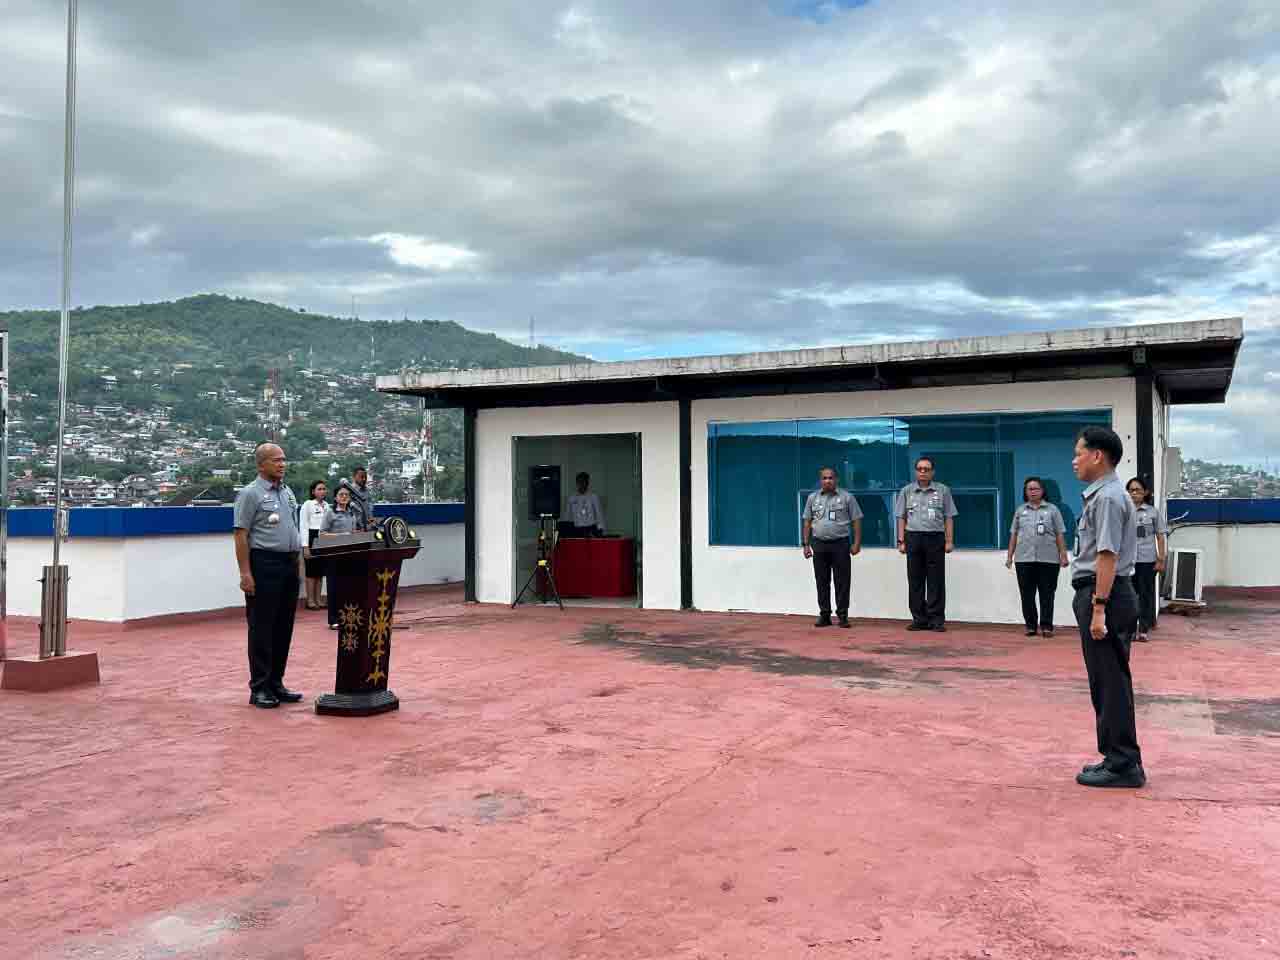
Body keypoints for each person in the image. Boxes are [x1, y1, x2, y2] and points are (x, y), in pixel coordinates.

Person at [1070, 425, 1144, 788]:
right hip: (1106, 595)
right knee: (1107, 680)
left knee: (1110, 682)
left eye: (1078, 453)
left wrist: (1098, 608)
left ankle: (1123, 764)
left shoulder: (1109, 498)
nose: (1074, 461)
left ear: (1097, 455)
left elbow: (1107, 556)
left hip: (1106, 596)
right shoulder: (1104, 496)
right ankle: (1117, 757)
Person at [233, 442, 304, 709]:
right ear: (261, 464)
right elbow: (240, 534)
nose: (282, 464)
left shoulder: (287, 492)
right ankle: (260, 687)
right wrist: (245, 572)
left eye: (284, 459)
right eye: (276, 460)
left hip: (288, 563)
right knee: (262, 627)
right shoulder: (250, 494)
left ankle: (276, 682)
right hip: (264, 563)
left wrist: (297, 562)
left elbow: (292, 527)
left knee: (283, 626)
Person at [895, 457, 958, 632]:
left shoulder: (943, 490)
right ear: (915, 471)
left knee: (936, 580)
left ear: (933, 472)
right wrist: (901, 541)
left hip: (935, 538)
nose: (923, 472)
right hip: (913, 537)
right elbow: (901, 517)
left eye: (927, 469)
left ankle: (936, 619)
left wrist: (949, 541)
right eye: (920, 469)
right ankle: (919, 619)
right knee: (915, 579)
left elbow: (949, 517)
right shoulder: (907, 491)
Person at [1005, 476, 1069, 637]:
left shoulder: (1053, 510)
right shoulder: (1020, 511)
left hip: (1049, 559)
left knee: (1047, 594)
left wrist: (1063, 555)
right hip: (1024, 559)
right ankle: (1031, 626)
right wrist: (1009, 556)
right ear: (1025, 492)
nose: (1032, 492)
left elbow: (1059, 534)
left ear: (1042, 491)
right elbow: (1014, 534)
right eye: (1029, 489)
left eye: (1036, 489)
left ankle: (1047, 626)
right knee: (1027, 594)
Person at [802, 467, 863, 628]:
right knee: (822, 581)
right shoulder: (812, 498)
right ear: (820, 480)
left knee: (842, 581)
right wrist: (806, 544)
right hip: (819, 544)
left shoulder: (847, 497)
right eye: (824, 478)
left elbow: (856, 520)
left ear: (836, 479)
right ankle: (825, 615)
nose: (827, 481)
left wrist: (856, 543)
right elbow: (807, 522)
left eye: (830, 478)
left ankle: (842, 615)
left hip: (840, 544)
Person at [1126, 477, 1168, 643]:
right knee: (1129, 597)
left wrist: (1161, 559)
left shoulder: (1152, 512)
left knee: (1145, 595)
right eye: (1131, 490)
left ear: (1145, 492)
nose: (1134, 493)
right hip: (1128, 561)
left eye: (1138, 490)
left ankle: (1143, 630)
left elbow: (1160, 537)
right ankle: (1129, 630)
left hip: (1147, 560)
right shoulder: (1124, 511)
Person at [321, 483, 361, 630]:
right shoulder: (330, 512)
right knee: (334, 587)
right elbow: (322, 534)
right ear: (336, 498)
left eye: (346, 495)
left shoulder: (352, 513)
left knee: (348, 587)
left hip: (349, 554)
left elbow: (353, 532)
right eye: (341, 495)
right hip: (334, 555)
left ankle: (347, 616)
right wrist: (341, 536)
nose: (344, 497)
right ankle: (333, 619)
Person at [299, 480, 330, 610]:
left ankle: (319, 599)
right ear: (313, 491)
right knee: (311, 571)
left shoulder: (327, 506)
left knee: (320, 571)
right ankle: (310, 600)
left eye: (324, 489)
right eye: (319, 489)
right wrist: (305, 546)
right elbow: (303, 526)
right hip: (311, 538)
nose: (322, 491)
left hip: (323, 539)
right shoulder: (308, 504)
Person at [348, 466, 373, 531]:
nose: (364, 479)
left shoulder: (367, 490)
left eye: (365, 477)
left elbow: (369, 507)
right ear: (354, 477)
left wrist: (371, 519)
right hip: (354, 527)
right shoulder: (348, 491)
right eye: (361, 477)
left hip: (367, 526)